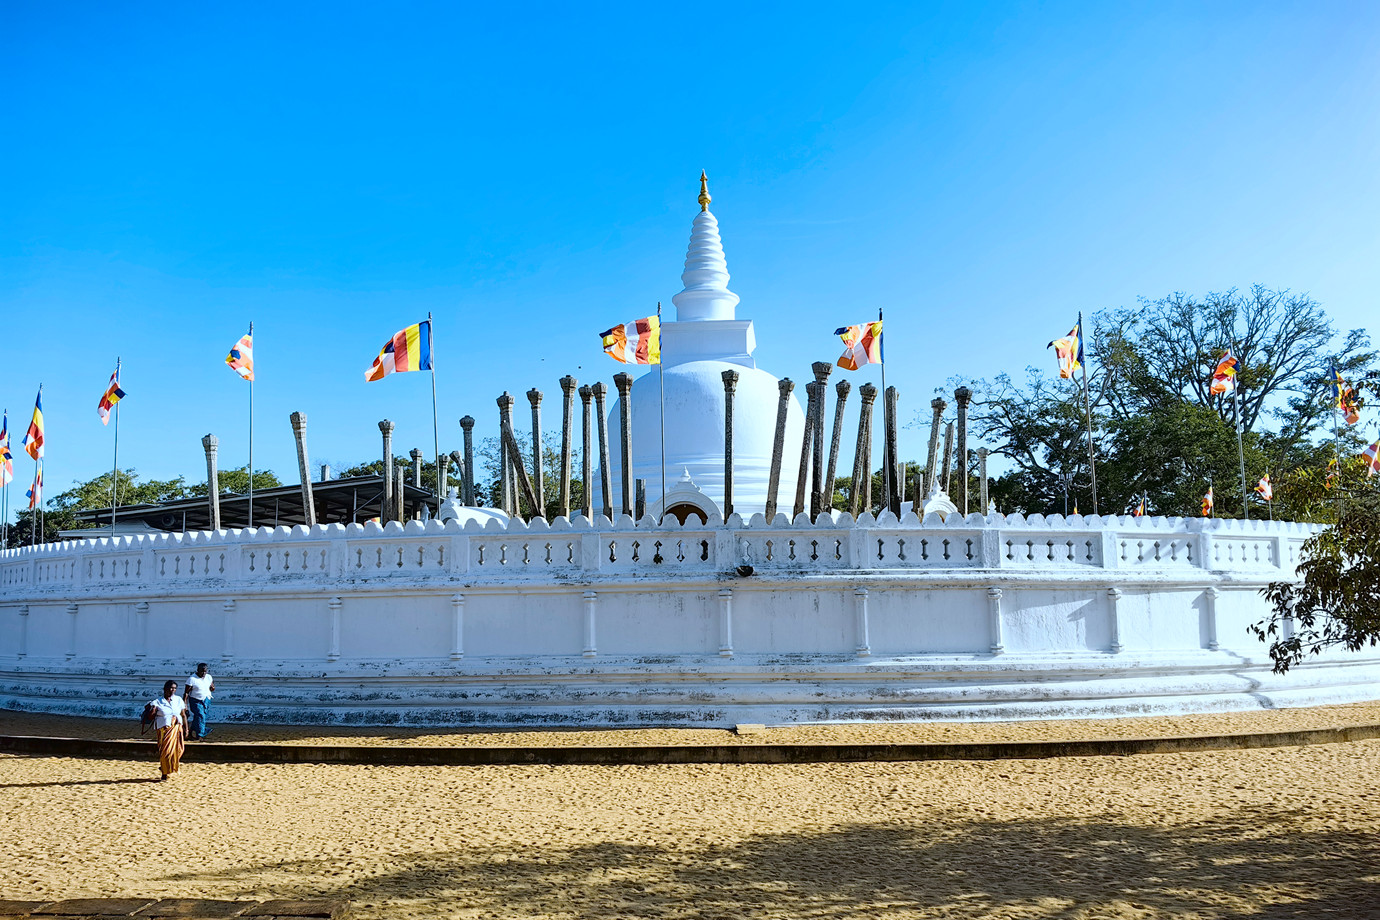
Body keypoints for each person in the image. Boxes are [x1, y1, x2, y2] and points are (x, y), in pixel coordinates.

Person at [146, 680, 187, 780]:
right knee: (166, 751)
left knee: (179, 750)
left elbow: (183, 714)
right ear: (165, 689)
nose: (172, 690)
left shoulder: (178, 700)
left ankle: (171, 767)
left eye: (174, 688)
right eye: (170, 688)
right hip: (164, 729)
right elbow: (150, 717)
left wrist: (186, 728)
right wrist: (152, 711)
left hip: (177, 727)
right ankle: (164, 773)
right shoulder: (157, 702)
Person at [184, 662, 215, 739]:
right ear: (197, 670)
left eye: (205, 671)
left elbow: (211, 686)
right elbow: (186, 693)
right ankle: (200, 734)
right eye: (201, 671)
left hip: (206, 699)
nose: (203, 673)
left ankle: (192, 731)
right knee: (201, 715)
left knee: (199, 717)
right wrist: (185, 705)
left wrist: (212, 688)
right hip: (195, 700)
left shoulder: (208, 677)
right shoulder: (192, 679)